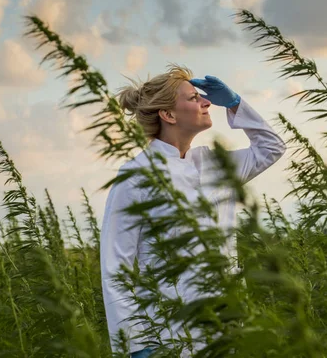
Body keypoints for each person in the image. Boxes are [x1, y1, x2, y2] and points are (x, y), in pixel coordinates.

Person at [100, 65, 287, 357]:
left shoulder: (216, 165)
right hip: (169, 332)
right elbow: (115, 269)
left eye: (203, 97)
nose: (206, 102)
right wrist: (136, 346)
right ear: (169, 115)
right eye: (193, 98)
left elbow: (271, 147)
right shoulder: (136, 176)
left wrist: (236, 104)